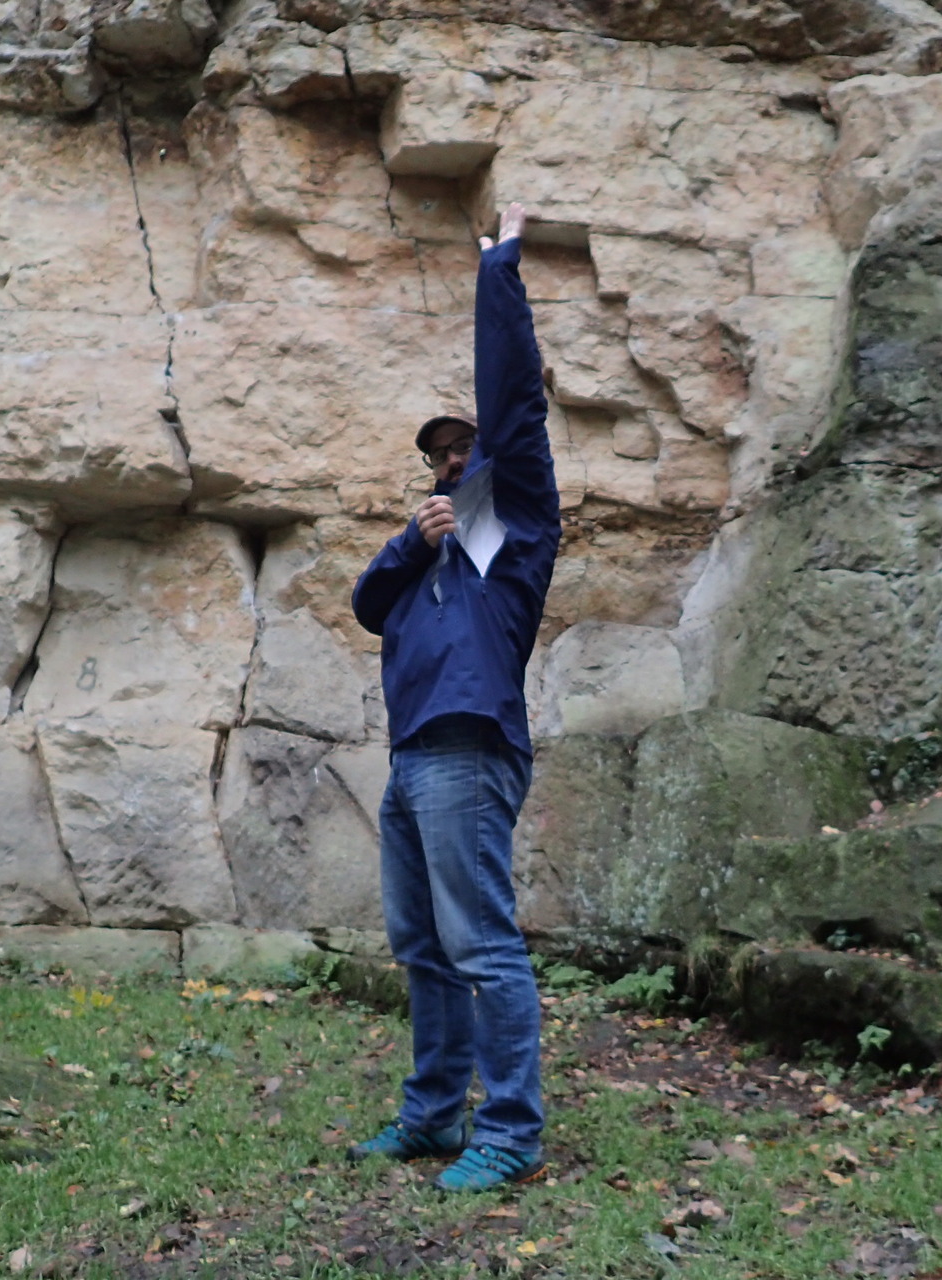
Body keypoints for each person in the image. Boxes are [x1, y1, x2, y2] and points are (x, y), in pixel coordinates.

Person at [347, 202, 559, 1193]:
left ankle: (510, 1129)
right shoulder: (428, 559)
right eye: (436, 454)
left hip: (469, 751)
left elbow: (514, 405)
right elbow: (364, 605)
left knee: (479, 940)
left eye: (461, 451)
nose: (448, 463)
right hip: (411, 758)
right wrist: (409, 539)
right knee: (422, 942)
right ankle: (433, 1116)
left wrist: (499, 269)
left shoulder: (509, 534)